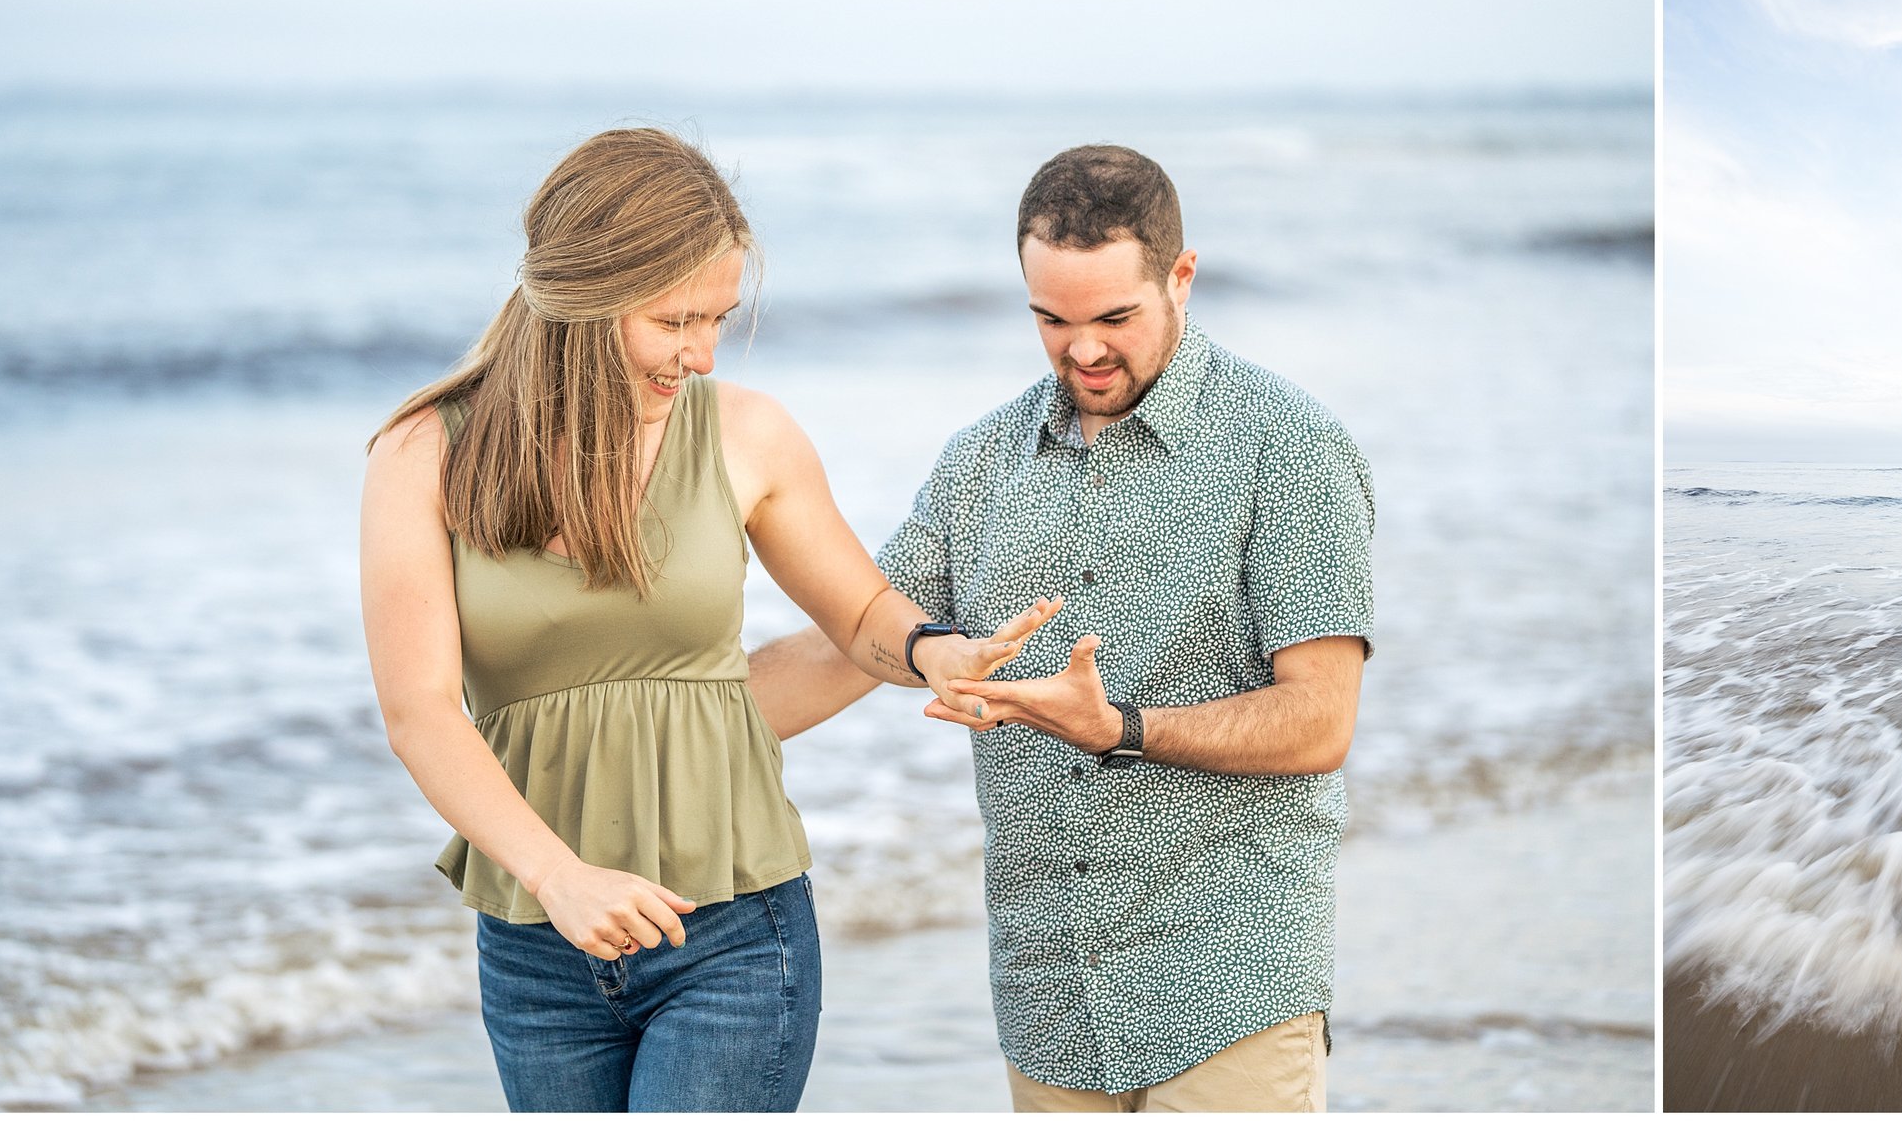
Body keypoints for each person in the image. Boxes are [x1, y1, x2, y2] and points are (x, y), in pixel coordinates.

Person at [358, 127, 1054, 1112]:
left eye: (719, 318)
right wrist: (559, 878)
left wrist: (930, 648)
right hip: (537, 950)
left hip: (731, 935)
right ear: (584, 297)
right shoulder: (424, 453)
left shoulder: (745, 434)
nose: (701, 353)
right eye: (676, 320)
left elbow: (857, 610)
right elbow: (420, 713)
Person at [747, 144, 1374, 1112]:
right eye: (1051, 319)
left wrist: (1120, 727)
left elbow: (1321, 721)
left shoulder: (1288, 448)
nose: (1082, 349)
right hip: (1048, 997)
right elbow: (858, 640)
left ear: (1181, 277)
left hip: (1229, 980)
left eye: (1114, 318)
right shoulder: (977, 462)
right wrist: (654, 731)